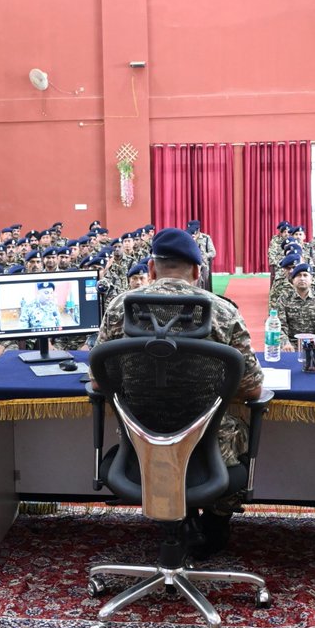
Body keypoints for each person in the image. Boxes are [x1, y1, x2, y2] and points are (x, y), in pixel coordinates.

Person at [93, 227, 263, 558]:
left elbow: (99, 381)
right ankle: (215, 522)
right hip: (210, 451)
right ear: (199, 272)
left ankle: (178, 522)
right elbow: (253, 389)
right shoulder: (223, 312)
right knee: (235, 435)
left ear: (151, 269)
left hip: (141, 449)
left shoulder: (120, 308)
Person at [272, 262, 315, 360]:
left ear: (311, 279)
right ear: (293, 280)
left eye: (305, 275)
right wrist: (285, 342)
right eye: (298, 276)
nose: (302, 278)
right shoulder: (284, 299)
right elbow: (280, 325)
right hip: (291, 344)